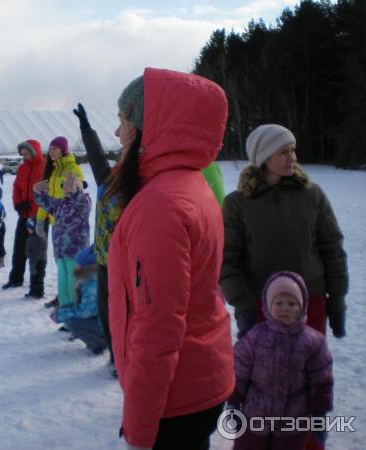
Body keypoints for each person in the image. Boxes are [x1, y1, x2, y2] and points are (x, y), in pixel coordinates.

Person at [106, 68, 235, 449]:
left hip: (176, 398)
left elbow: (158, 327)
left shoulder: (161, 204)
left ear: (151, 126)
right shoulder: (188, 183)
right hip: (198, 380)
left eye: (123, 121)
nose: (117, 134)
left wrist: (140, 430)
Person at [72, 103, 227, 370]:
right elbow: (97, 159)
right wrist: (86, 129)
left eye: (123, 124)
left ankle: (129, 362)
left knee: (130, 318)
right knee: (109, 315)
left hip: (127, 265)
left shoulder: (139, 181)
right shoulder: (110, 180)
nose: (119, 138)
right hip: (104, 259)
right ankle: (116, 358)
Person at [220, 124, 348, 340]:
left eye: (292, 150)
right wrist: (243, 306)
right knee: (265, 372)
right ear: (264, 158)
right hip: (262, 304)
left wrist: (336, 301)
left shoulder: (312, 195)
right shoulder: (237, 204)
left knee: (311, 369)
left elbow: (332, 250)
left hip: (311, 301)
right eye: (284, 152)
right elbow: (227, 259)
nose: (292, 158)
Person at [228, 271, 333, 450]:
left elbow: (321, 379)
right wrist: (233, 402)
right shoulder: (255, 337)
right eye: (279, 303)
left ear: (301, 307)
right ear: (268, 306)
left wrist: (319, 413)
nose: (285, 308)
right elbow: (240, 370)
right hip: (255, 416)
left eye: (292, 303)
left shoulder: (313, 343)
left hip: (292, 421)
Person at [36, 136, 85, 307]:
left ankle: (75, 309)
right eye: (50, 150)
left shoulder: (73, 168)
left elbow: (79, 191)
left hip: (72, 228)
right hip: (57, 224)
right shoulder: (53, 170)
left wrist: (76, 186)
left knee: (72, 272)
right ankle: (65, 306)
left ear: (63, 150)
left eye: (56, 149)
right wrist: (40, 219)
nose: (52, 152)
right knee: (62, 270)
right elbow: (48, 199)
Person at [34, 171, 91, 307]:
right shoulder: (60, 204)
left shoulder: (83, 202)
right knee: (63, 287)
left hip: (76, 254)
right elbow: (45, 202)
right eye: (64, 186)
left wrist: (76, 191)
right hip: (61, 253)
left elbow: (82, 202)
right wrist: (36, 190)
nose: (67, 188)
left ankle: (76, 320)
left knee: (74, 287)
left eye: (71, 185)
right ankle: (67, 320)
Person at [2, 140, 45, 290]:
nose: (24, 157)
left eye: (26, 154)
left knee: (37, 252)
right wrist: (18, 204)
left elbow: (45, 192)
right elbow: (16, 188)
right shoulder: (22, 168)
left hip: (39, 216)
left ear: (34, 152)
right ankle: (16, 278)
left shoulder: (44, 167)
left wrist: (34, 206)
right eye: (22, 154)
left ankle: (36, 284)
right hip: (24, 214)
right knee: (19, 248)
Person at [49, 245, 106, 354]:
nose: (75, 266)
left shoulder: (92, 284)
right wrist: (64, 307)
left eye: (78, 263)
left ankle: (100, 343)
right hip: (100, 320)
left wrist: (61, 315)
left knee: (72, 322)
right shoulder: (90, 278)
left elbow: (86, 312)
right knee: (72, 318)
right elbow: (82, 303)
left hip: (104, 324)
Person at [24, 217, 47, 299]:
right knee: (34, 276)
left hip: (38, 261)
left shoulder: (36, 238)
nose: (27, 229)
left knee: (38, 276)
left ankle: (38, 292)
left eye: (29, 228)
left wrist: (33, 264)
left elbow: (36, 252)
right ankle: (33, 291)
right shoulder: (34, 236)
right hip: (36, 260)